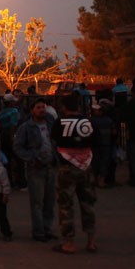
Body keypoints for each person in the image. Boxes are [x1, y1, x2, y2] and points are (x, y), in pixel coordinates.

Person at [52, 93, 97, 254]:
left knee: (65, 205)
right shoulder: (87, 122)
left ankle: (69, 242)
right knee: (88, 203)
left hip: (67, 166)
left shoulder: (60, 123)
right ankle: (91, 240)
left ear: (64, 107)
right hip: (86, 165)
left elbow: (55, 141)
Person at [13, 98, 57, 242]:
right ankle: (39, 231)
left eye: (43, 107)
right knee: (37, 201)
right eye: (38, 107)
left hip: (51, 165)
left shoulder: (51, 124)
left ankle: (47, 228)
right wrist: (32, 158)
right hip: (36, 167)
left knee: (49, 201)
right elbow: (18, 147)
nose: (41, 110)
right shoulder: (26, 127)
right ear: (32, 110)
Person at [89, 103, 115, 188]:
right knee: (104, 161)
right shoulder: (109, 120)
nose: (94, 111)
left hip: (96, 144)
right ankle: (101, 179)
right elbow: (114, 132)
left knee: (96, 161)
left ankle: (97, 179)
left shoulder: (91, 120)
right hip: (105, 144)